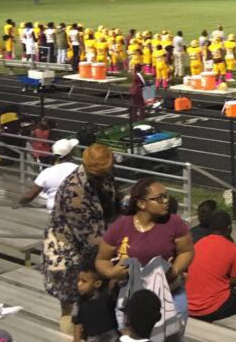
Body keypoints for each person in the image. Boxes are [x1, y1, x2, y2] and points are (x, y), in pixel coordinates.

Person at [96, 178, 194, 325]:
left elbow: (187, 251)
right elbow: (101, 260)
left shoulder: (175, 223)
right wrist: (111, 272)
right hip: (132, 300)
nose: (166, 201)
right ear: (141, 203)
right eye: (159, 198)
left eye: (166, 196)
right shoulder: (120, 227)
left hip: (169, 296)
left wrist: (175, 270)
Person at [43, 144, 118, 334]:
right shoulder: (74, 191)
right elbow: (91, 240)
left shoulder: (104, 174)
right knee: (73, 305)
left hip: (96, 238)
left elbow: (111, 200)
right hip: (68, 249)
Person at [187, 211, 236, 321]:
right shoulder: (234, 249)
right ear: (229, 228)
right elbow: (235, 282)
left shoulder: (198, 244)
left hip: (190, 305)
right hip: (212, 308)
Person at [17, 137, 79, 211]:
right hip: (76, 211)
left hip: (55, 213)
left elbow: (30, 195)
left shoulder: (47, 172)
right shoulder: (79, 170)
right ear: (70, 154)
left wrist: (18, 203)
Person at [71, 261, 118, 342]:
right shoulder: (80, 301)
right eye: (78, 280)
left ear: (97, 284)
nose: (79, 284)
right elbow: (77, 321)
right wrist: (76, 339)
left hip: (111, 335)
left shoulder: (107, 296)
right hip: (92, 337)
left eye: (84, 281)